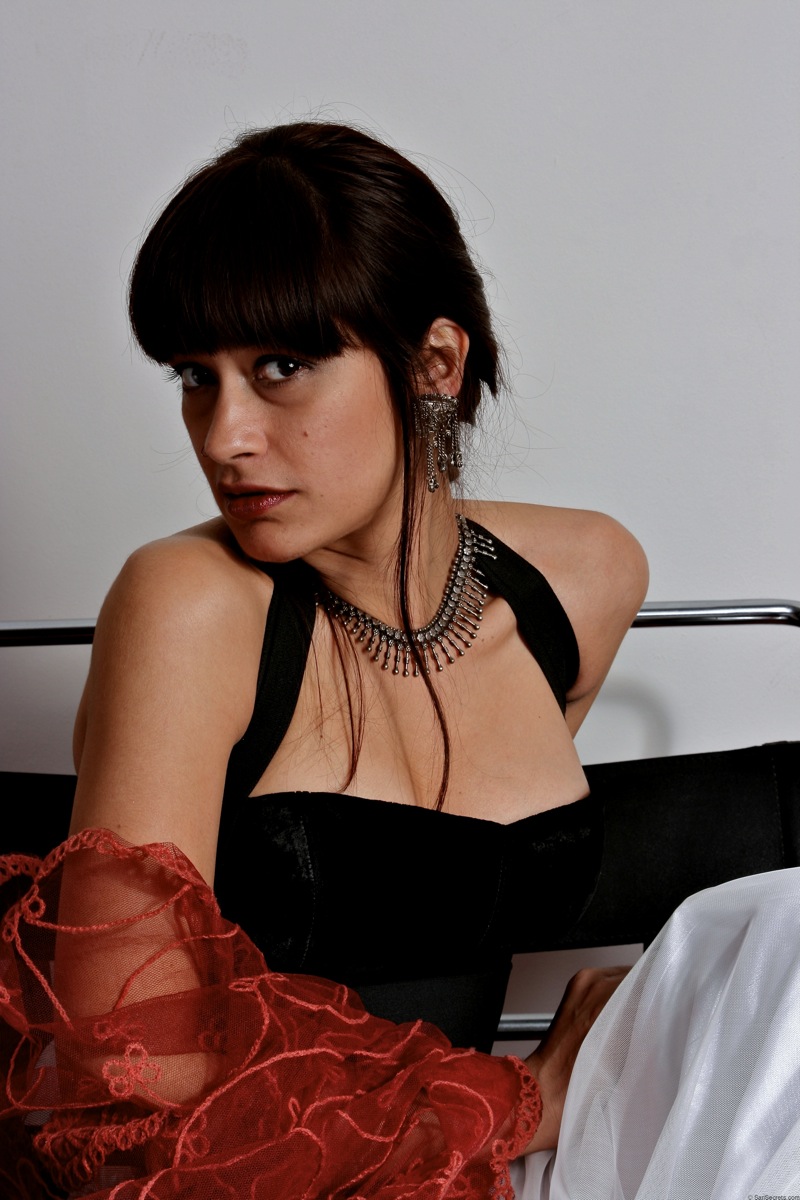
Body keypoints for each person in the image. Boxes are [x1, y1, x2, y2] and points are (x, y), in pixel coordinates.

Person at [2, 122, 797, 1199]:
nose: (224, 436)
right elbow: (131, 1112)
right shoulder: (187, 604)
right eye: (195, 376)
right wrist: (520, 1099)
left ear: (434, 363)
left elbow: (452, 888)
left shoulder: (582, 578)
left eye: (280, 367)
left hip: (492, 1169)